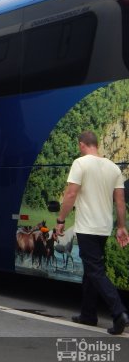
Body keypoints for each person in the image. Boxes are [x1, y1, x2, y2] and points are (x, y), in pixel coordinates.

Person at [56, 130, 129, 335]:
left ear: (81, 145)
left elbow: (71, 194)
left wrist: (60, 220)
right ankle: (88, 315)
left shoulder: (80, 164)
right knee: (90, 271)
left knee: (95, 271)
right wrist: (121, 226)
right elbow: (120, 202)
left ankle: (119, 312)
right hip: (104, 228)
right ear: (96, 144)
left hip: (87, 227)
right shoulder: (114, 168)